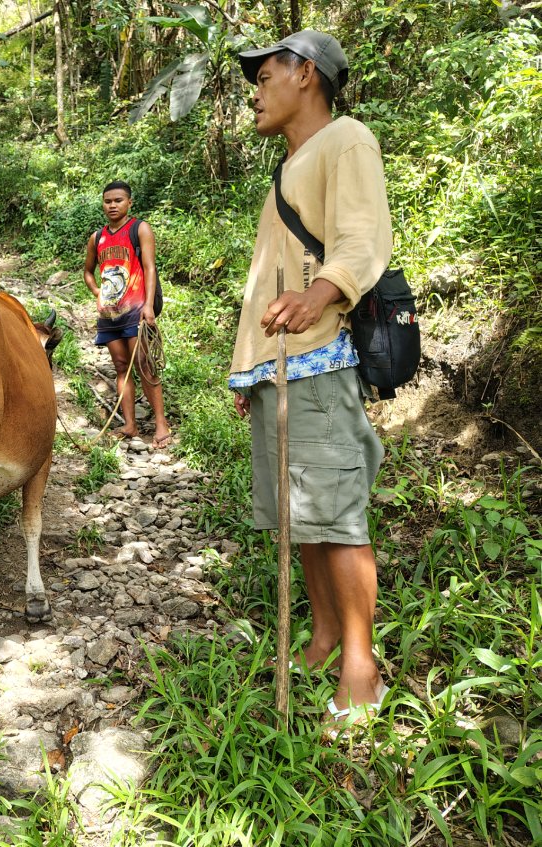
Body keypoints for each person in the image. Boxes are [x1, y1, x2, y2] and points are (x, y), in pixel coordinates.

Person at [231, 31, 392, 729]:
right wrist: (248, 367)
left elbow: (363, 237)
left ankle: (362, 666)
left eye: (266, 75)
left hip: (320, 359)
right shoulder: (290, 165)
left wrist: (322, 293)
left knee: (338, 516)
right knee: (301, 520)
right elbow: (266, 274)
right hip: (280, 365)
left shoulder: (346, 139)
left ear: (307, 75)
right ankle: (325, 636)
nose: (256, 91)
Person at [82, 181, 172, 449]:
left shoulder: (139, 229)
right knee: (121, 367)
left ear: (129, 202)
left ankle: (160, 424)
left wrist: (147, 305)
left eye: (118, 200)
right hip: (109, 315)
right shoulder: (97, 237)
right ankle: (130, 424)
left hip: (136, 310)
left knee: (145, 364)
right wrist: (96, 290)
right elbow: (88, 270)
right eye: (108, 201)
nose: (112, 205)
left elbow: (150, 267)